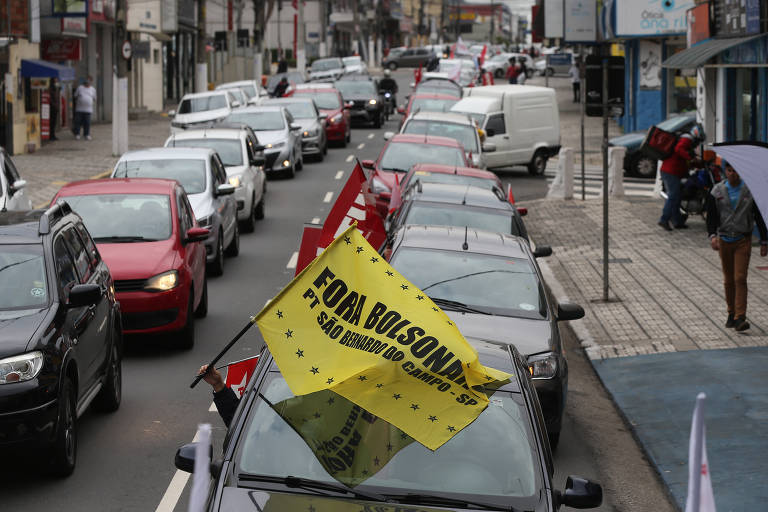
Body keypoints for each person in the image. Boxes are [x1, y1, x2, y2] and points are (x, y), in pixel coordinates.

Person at [705, 162, 768, 332]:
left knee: (740, 278)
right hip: (725, 239)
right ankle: (731, 313)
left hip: (743, 239)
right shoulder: (716, 191)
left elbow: (759, 216)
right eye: (730, 170)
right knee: (729, 279)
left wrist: (764, 241)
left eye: (736, 171)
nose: (733, 174)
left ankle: (740, 317)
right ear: (725, 171)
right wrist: (712, 236)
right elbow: (711, 216)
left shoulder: (749, 190)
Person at [658, 124, 704, 231]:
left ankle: (678, 222)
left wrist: (698, 163)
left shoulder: (687, 141)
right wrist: (691, 158)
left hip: (674, 172)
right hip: (670, 172)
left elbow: (684, 160)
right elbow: (679, 149)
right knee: (673, 196)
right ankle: (664, 219)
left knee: (677, 197)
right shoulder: (687, 139)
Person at [73, 76, 96, 140]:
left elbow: (94, 98)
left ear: (91, 82)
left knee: (87, 123)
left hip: (88, 110)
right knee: (78, 122)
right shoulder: (80, 88)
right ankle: (77, 134)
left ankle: (86, 134)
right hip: (79, 109)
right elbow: (75, 96)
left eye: (89, 81)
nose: (88, 82)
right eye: (87, 80)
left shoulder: (93, 89)